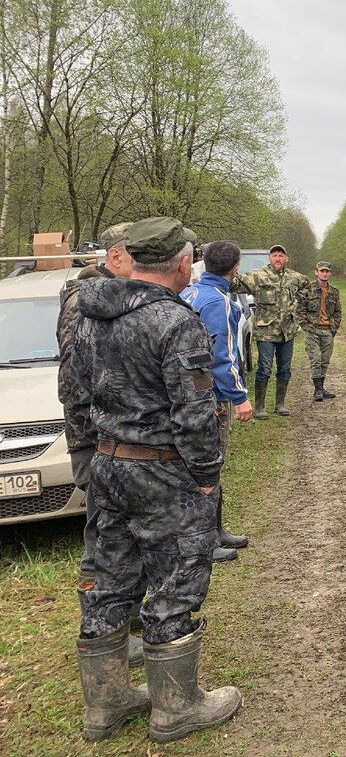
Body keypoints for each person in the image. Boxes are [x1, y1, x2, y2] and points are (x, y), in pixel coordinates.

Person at [69, 216, 240, 742]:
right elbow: (194, 411)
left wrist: (98, 447)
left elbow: (76, 393)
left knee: (108, 580)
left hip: (107, 464)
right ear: (183, 263)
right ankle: (176, 708)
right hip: (163, 471)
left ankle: (105, 705)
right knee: (175, 582)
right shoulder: (176, 321)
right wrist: (206, 476)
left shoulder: (89, 312)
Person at [57, 222, 145, 665]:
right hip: (94, 441)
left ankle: (126, 619)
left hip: (109, 440)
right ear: (115, 257)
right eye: (137, 256)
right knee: (102, 537)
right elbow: (78, 382)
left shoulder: (109, 297)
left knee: (121, 533)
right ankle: (103, 636)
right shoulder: (84, 303)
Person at [181, 241, 253, 561]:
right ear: (235, 269)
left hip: (189, 394)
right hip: (212, 397)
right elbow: (222, 357)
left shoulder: (190, 292)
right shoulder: (219, 301)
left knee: (205, 464)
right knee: (210, 465)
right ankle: (206, 541)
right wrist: (239, 397)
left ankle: (216, 530)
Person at [229, 244, 308, 418]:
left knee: (285, 368)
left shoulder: (294, 277)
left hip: (287, 331)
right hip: (266, 332)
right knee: (264, 368)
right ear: (269, 258)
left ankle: (280, 405)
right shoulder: (258, 276)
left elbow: (307, 288)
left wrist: (298, 303)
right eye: (274, 255)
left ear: (286, 258)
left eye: (281, 255)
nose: (277, 258)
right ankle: (259, 407)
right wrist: (226, 270)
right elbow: (234, 285)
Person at [298, 260, 341, 401]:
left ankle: (321, 388)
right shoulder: (307, 290)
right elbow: (300, 310)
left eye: (327, 271)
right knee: (315, 359)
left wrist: (333, 327)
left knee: (325, 360)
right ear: (316, 272)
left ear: (330, 273)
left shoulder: (334, 292)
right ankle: (317, 389)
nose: (324, 274)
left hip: (328, 331)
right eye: (322, 271)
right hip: (313, 331)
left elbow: (338, 312)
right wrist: (307, 327)